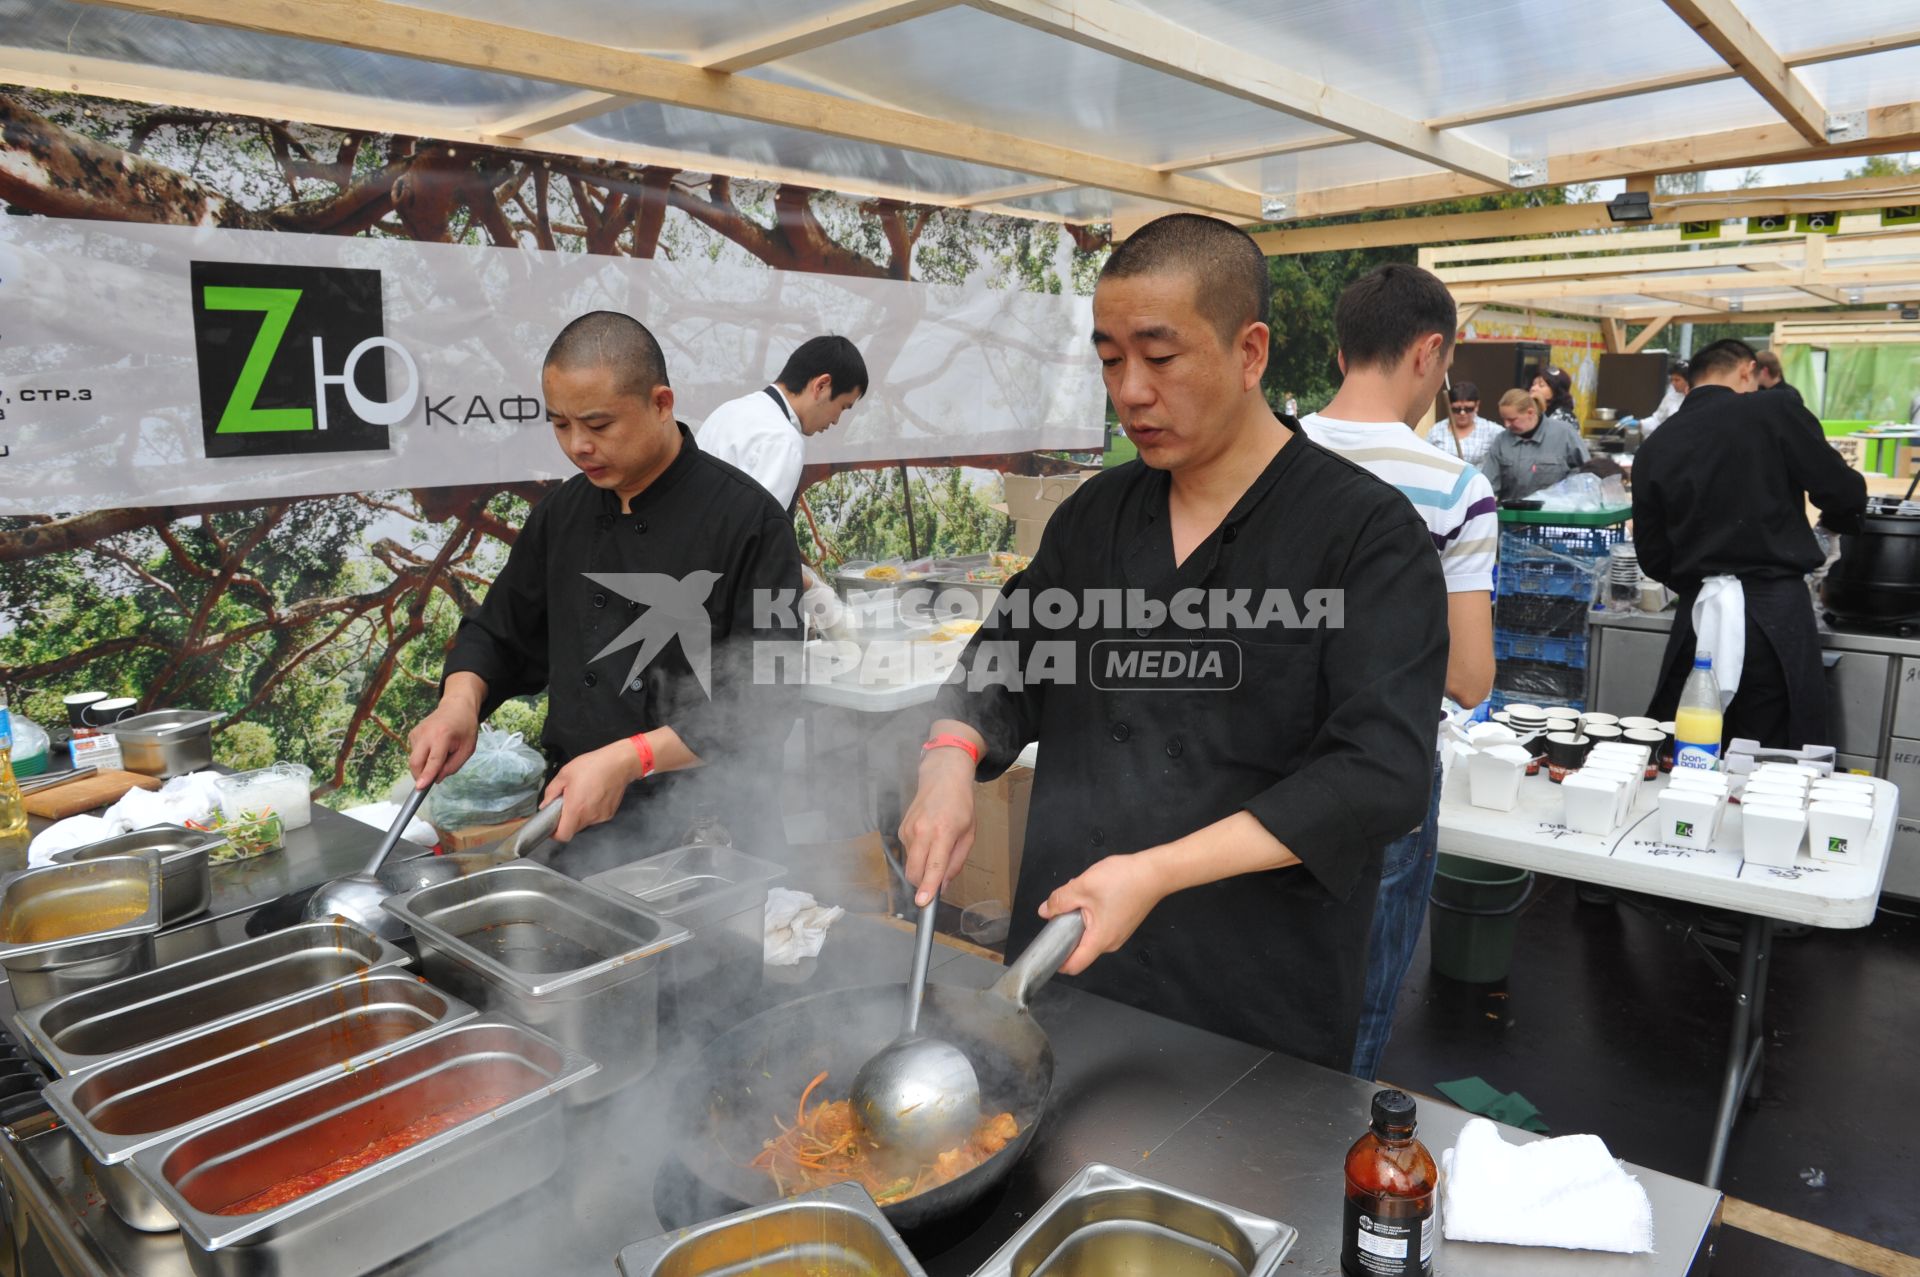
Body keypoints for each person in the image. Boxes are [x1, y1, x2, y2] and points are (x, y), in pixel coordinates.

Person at [898, 214, 1448, 1072]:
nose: (1131, 391)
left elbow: (1381, 770)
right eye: (1110, 359)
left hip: (1251, 1007)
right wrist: (946, 758)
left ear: (1250, 352)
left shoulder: (1365, 534)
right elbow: (1008, 655)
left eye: (1160, 357)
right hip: (1063, 975)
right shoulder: (1095, 516)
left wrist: (1155, 871)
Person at [408, 311, 804, 868]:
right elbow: (501, 629)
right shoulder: (561, 513)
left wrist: (631, 757)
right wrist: (459, 702)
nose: (577, 446)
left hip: (709, 833)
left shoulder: (751, 521)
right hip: (578, 816)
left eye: (598, 425)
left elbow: (768, 698)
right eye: (560, 424)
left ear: (661, 403)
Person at [1300, 263, 1497, 1081]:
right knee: (1360, 1002)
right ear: (1428, 352)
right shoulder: (1455, 488)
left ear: (1342, 351)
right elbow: (1467, 677)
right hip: (1383, 779)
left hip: (1249, 765)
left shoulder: (1264, 451)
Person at [1632, 338, 1867, 748]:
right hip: (1773, 613)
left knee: (1693, 746)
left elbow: (1652, 555)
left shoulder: (1656, 444)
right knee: (1771, 756)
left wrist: (1695, 578)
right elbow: (1843, 491)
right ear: (1747, 369)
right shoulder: (1773, 410)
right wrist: (1832, 526)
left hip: (1699, 617)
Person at [697, 335, 867, 511]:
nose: (836, 421)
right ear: (821, 386)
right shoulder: (784, 440)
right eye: (842, 406)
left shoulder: (726, 411)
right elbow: (756, 532)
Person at [1480, 388, 1590, 499]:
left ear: (1530, 413)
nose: (1506, 424)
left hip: (1556, 512)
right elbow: (1489, 484)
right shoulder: (1501, 441)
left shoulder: (1565, 434)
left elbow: (1586, 474)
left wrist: (1567, 491)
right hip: (1512, 513)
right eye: (1504, 419)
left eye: (1512, 420)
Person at [1425, 380, 1503, 464]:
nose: (1462, 413)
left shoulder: (1492, 430)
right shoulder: (1436, 431)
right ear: (1449, 406)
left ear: (1477, 405)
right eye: (1457, 409)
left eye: (1468, 409)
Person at [1642, 361, 1689, 433]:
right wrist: (1640, 424)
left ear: (1689, 380)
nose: (1673, 383)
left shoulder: (1700, 397)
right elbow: (1658, 420)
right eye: (1672, 380)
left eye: (1677, 380)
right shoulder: (1670, 397)